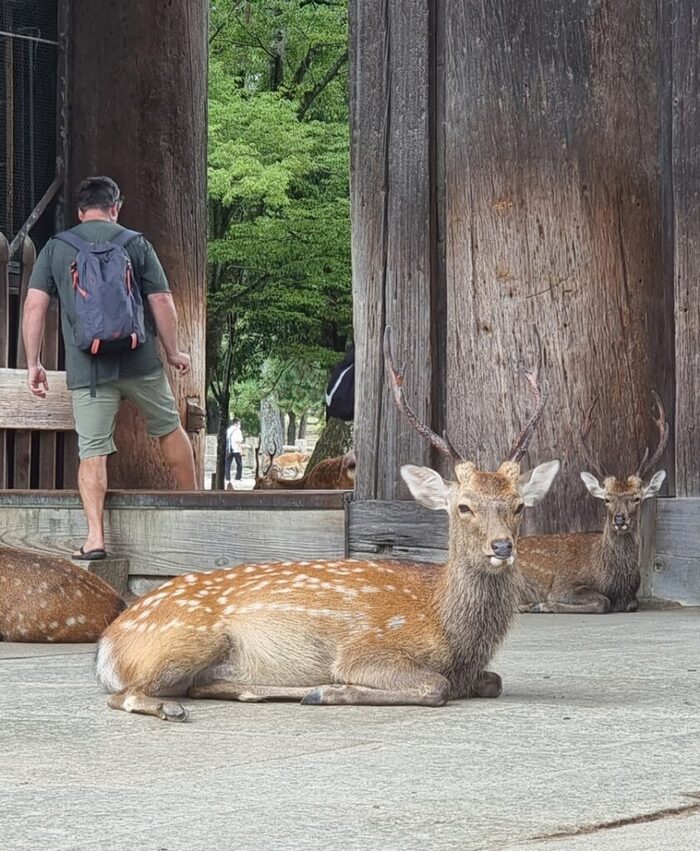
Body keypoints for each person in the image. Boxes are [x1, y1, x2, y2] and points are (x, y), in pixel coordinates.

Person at [22, 175, 197, 560]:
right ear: (115, 207)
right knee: (169, 429)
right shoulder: (135, 243)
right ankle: (194, 509)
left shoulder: (56, 248)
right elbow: (162, 301)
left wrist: (34, 363)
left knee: (93, 451)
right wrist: (173, 352)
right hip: (141, 362)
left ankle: (96, 539)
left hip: (89, 370)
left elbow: (35, 305)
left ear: (80, 212)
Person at [225, 417, 244, 486]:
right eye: (239, 423)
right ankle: (238, 477)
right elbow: (238, 441)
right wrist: (241, 450)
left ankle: (227, 477)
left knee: (228, 463)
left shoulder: (229, 430)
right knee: (239, 463)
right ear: (236, 423)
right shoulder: (237, 430)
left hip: (229, 449)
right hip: (236, 449)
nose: (240, 425)